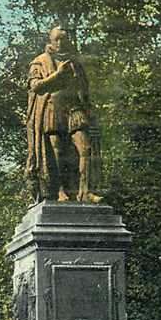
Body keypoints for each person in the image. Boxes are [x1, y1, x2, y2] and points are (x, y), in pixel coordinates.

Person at [26, 26, 103, 204]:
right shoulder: (39, 61)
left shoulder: (75, 63)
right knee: (57, 152)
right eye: (57, 39)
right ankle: (59, 190)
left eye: (64, 39)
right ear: (50, 41)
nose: (61, 43)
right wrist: (57, 75)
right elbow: (35, 86)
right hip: (52, 110)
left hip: (74, 109)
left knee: (86, 149)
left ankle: (85, 191)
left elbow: (84, 91)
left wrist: (90, 113)